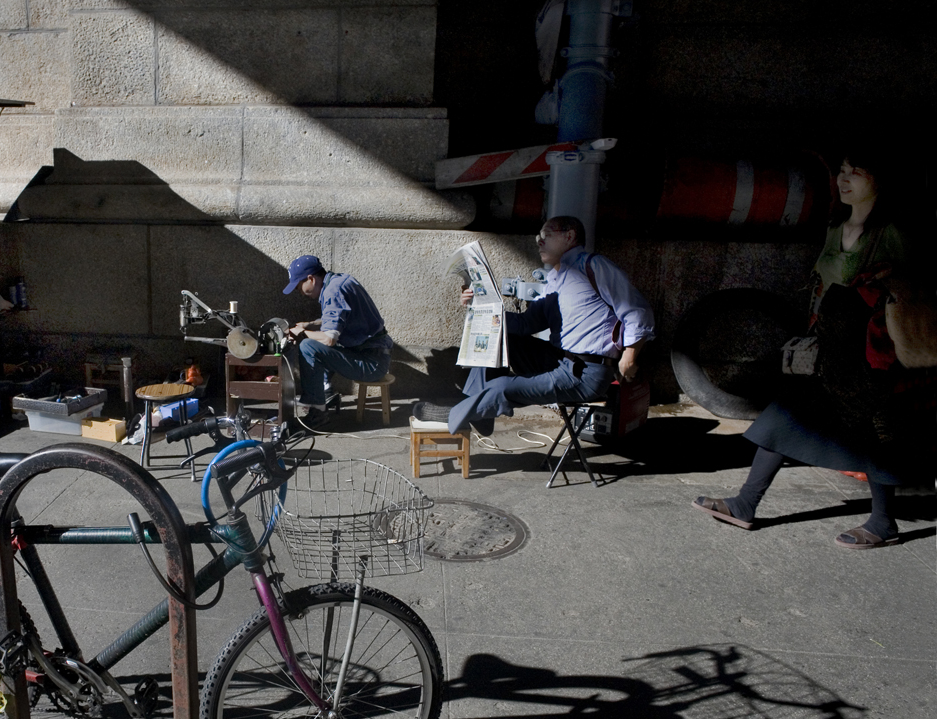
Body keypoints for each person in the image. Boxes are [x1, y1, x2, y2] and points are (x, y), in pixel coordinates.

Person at [692, 147, 934, 549]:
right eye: (842, 170)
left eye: (856, 171)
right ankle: (746, 503)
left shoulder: (894, 233)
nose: (844, 178)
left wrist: (886, 284)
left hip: (873, 355)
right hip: (830, 349)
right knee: (786, 416)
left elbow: (918, 295)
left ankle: (883, 522)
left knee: (877, 434)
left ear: (879, 181)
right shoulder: (836, 228)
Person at [415, 215, 655, 436]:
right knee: (499, 337)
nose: (539, 241)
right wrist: (478, 305)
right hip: (557, 359)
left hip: (585, 373)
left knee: (502, 387)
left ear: (569, 236)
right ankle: (476, 412)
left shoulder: (594, 266)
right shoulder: (555, 279)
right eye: (538, 237)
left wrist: (630, 355)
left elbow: (638, 310)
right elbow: (526, 324)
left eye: (546, 235)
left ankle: (460, 413)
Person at [283, 255, 392, 427]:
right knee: (315, 343)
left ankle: (317, 412)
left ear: (311, 279)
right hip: (373, 355)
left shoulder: (333, 292)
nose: (300, 292)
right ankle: (326, 393)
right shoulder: (338, 281)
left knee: (308, 347)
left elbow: (329, 339)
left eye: (298, 287)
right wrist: (310, 324)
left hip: (372, 364)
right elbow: (339, 318)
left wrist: (302, 332)